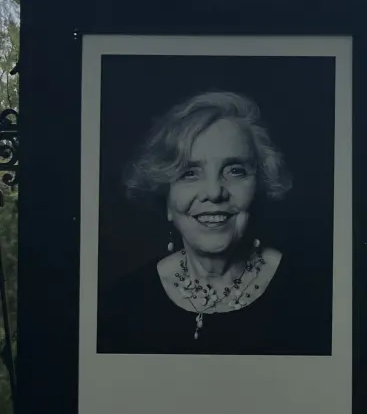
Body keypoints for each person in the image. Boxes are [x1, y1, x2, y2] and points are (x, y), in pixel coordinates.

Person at [98, 90, 326, 356]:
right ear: (165, 197)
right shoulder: (122, 304)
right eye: (189, 173)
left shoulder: (314, 296)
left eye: (235, 171)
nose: (214, 192)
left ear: (262, 185)